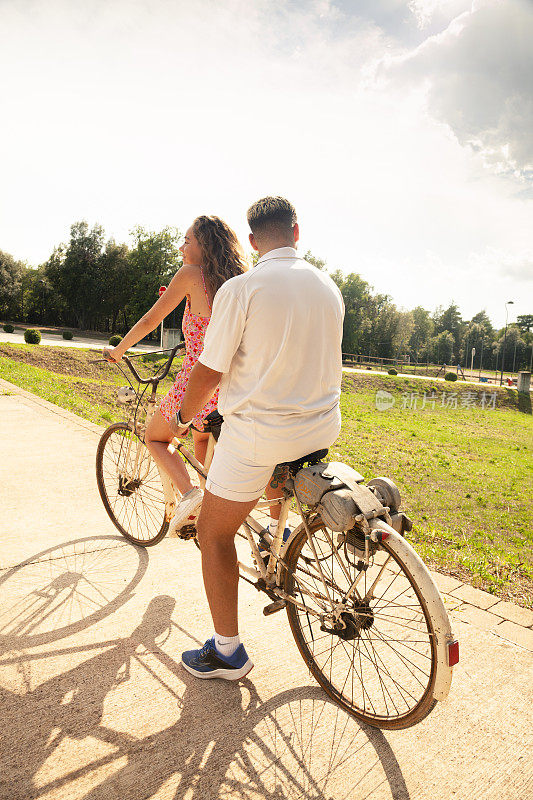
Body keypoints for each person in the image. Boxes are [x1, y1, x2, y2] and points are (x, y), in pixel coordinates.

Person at [173, 196, 345, 680]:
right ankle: (278, 534)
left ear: (252, 241)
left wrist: (186, 416)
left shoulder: (242, 288)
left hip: (259, 436)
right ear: (296, 231)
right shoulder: (328, 286)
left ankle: (227, 652)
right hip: (319, 426)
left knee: (213, 531)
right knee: (271, 486)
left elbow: (210, 368)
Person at [103, 216, 248, 533]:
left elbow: (149, 321)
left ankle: (190, 498)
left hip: (198, 384)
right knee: (201, 446)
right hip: (234, 387)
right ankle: (206, 513)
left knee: (155, 436)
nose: (181, 247)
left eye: (187, 241)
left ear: (204, 245)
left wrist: (119, 350)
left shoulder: (191, 275)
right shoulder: (239, 279)